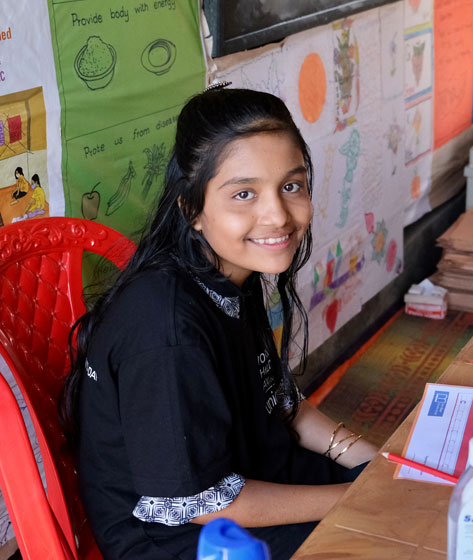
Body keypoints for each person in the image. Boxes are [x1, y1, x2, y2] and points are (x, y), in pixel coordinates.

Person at [60, 85, 378, 560]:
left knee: (415, 499)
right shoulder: (165, 331)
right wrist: (356, 499)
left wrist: (370, 461)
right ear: (192, 209)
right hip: (186, 538)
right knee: (396, 534)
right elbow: (201, 502)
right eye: (244, 194)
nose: (276, 216)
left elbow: (279, 401)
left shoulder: (232, 271)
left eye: (291, 186)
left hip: (257, 476)